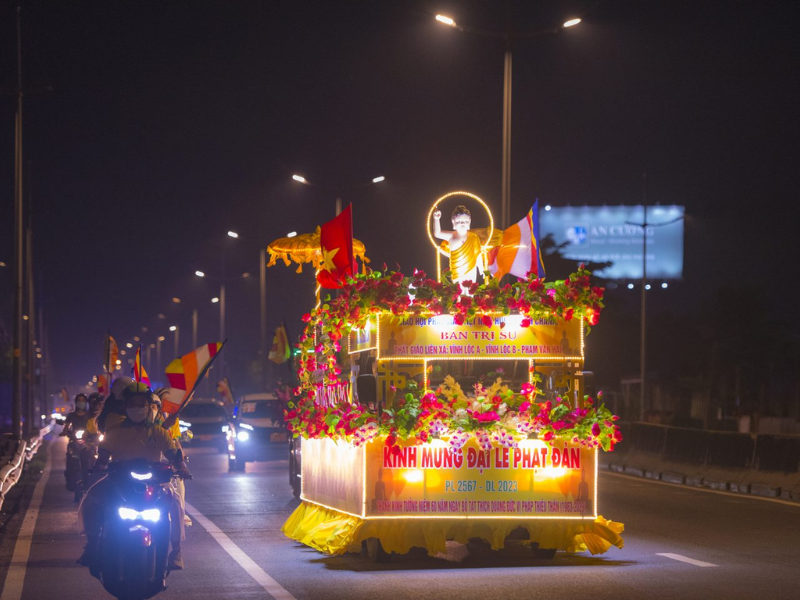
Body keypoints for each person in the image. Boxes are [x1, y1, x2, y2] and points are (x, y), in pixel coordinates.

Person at [79, 383, 190, 572]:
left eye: (141, 404)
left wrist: (182, 467)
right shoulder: (114, 431)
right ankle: (92, 546)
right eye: (132, 403)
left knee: (176, 503)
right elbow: (104, 455)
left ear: (148, 407)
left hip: (155, 482)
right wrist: (99, 465)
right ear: (125, 406)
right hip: (118, 482)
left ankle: (176, 551)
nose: (137, 408)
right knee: (91, 501)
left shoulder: (159, 432)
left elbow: (174, 455)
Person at [433, 205, 484, 285]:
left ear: (469, 222)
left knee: (470, 291)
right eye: (459, 221)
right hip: (457, 269)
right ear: (453, 222)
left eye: (465, 221)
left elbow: (478, 254)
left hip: (470, 268)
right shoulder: (451, 235)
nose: (462, 223)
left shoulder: (474, 237)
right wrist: (436, 219)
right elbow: (437, 233)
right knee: (458, 290)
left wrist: (481, 268)